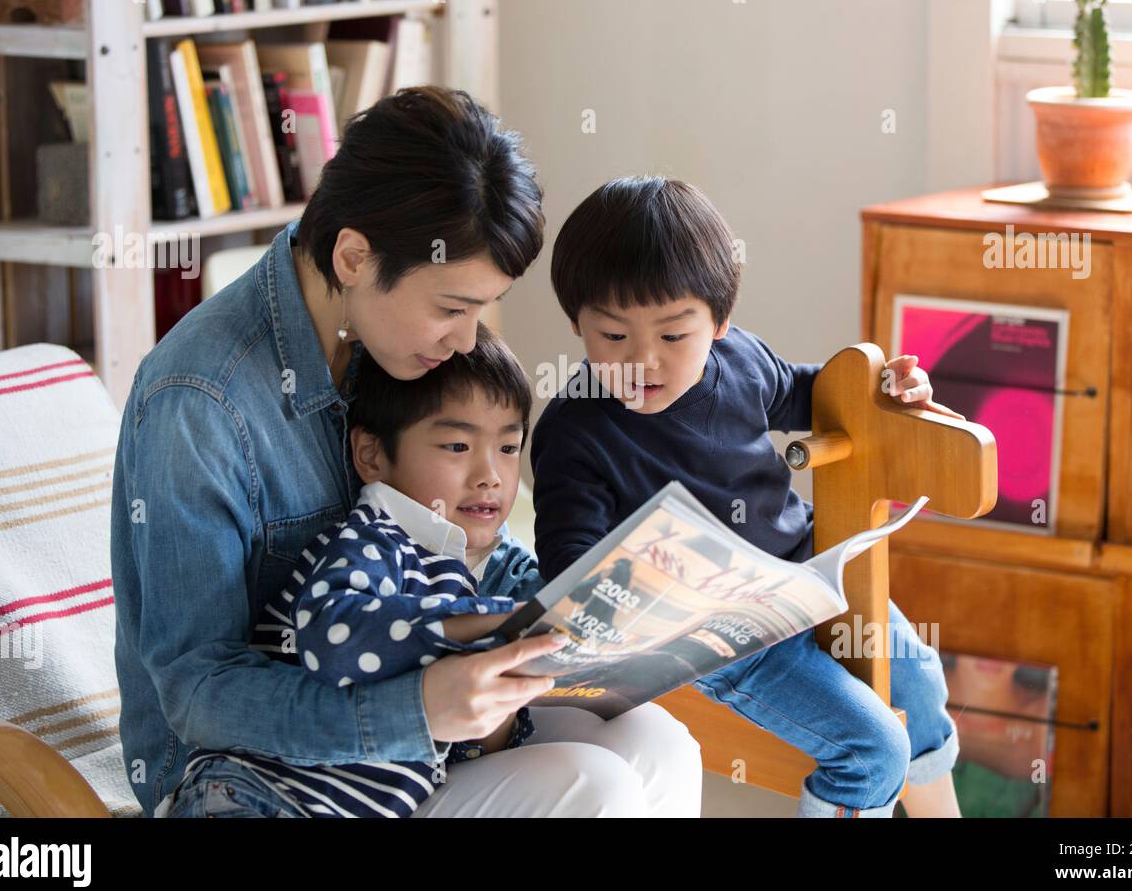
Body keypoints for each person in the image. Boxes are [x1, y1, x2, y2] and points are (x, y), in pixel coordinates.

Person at [112, 87, 699, 819]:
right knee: (595, 787)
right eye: (453, 308)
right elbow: (197, 693)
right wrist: (414, 711)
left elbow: (462, 547)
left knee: (658, 745)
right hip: (260, 783)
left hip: (418, 736)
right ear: (355, 256)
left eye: (480, 311)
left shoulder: (395, 348)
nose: (466, 340)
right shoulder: (198, 402)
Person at [530, 175, 962, 817]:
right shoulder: (576, 431)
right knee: (872, 748)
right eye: (614, 338)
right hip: (721, 632)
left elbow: (812, 392)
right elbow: (572, 567)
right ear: (576, 323)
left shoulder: (743, 361)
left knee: (920, 679)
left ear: (720, 323)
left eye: (674, 336)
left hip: (811, 571)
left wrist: (887, 390)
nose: (643, 361)